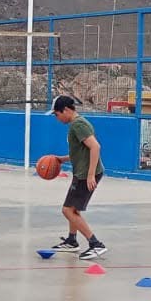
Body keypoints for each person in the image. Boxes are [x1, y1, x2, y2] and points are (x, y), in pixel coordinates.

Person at [48, 95, 107, 260]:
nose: (57, 118)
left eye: (57, 114)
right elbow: (81, 151)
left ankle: (95, 244)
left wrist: (90, 175)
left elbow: (95, 147)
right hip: (81, 172)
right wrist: (63, 159)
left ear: (66, 110)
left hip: (85, 174)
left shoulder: (78, 125)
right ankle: (72, 240)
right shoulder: (76, 124)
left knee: (67, 210)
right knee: (73, 209)